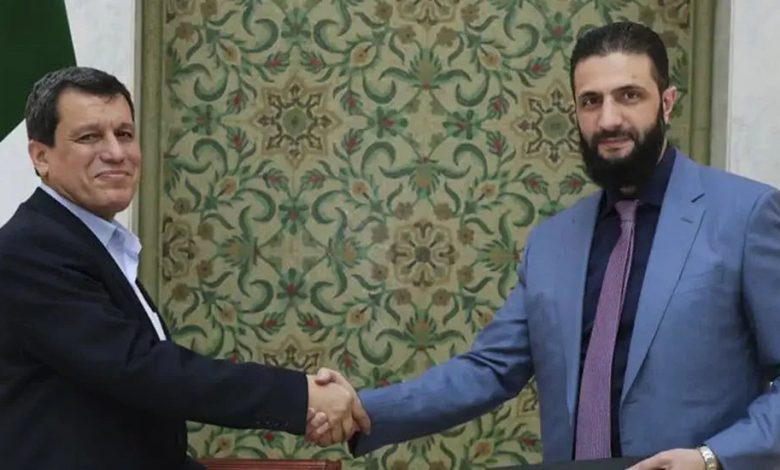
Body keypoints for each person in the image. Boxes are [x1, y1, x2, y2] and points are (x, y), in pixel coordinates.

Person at [306, 22, 780, 470]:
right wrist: (360, 408)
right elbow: (489, 370)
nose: (608, 119)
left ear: (667, 102)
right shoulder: (552, 242)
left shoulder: (747, 216)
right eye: (590, 101)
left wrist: (711, 458)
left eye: (629, 95)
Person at [0, 66, 368, 470]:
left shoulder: (88, 242)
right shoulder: (28, 251)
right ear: (41, 156)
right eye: (89, 137)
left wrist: (303, 399)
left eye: (125, 134)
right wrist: (300, 397)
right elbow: (142, 369)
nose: (116, 153)